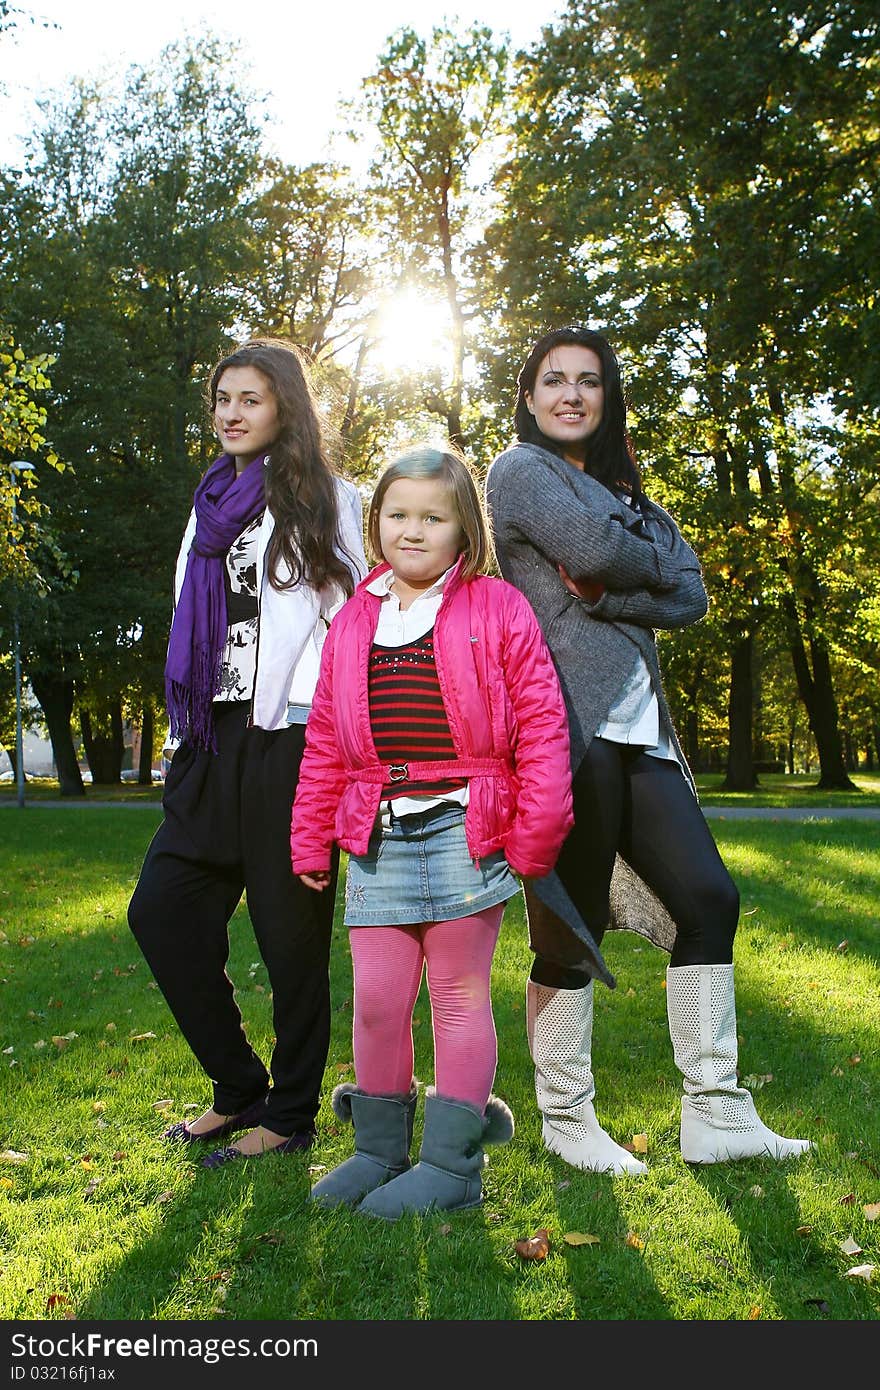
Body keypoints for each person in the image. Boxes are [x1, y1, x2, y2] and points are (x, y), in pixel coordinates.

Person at [486, 325, 811, 1174]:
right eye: (552, 380)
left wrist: (606, 588)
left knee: (710, 897)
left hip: (646, 736)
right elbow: (596, 551)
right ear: (529, 397)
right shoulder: (520, 472)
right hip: (571, 728)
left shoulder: (629, 491)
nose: (570, 394)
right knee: (572, 920)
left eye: (587, 381)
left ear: (606, 396)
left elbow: (690, 593)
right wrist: (635, 567)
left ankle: (716, 1112)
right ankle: (566, 1116)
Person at [290, 444, 575, 1219]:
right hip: (375, 833)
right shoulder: (353, 619)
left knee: (455, 995)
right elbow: (325, 739)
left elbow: (543, 724)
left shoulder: (497, 607)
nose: (412, 531)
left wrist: (537, 831)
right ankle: (379, 1151)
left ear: (464, 531)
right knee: (378, 1000)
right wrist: (311, 837)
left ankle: (452, 1167)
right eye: (397, 514)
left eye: (433, 517)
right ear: (376, 521)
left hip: (467, 827)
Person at [128, 337, 366, 1168]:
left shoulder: (328, 498)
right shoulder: (208, 502)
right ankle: (238, 1088)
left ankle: (292, 1111)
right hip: (208, 741)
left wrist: (314, 732)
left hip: (288, 745)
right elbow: (188, 626)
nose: (231, 413)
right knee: (160, 911)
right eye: (222, 399)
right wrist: (177, 738)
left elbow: (352, 629)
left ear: (285, 408)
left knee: (289, 939)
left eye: (249, 399)